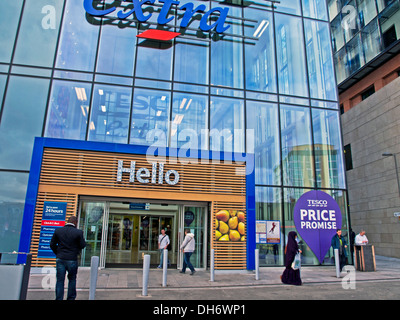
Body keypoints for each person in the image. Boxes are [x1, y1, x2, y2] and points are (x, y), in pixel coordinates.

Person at [50, 216, 86, 300]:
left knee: (60, 280)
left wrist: (58, 253)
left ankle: (59, 298)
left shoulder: (58, 231)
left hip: (60, 258)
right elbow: (83, 245)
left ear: (68, 221)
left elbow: (52, 244)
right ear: (75, 222)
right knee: (72, 279)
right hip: (72, 259)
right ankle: (71, 298)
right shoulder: (78, 232)